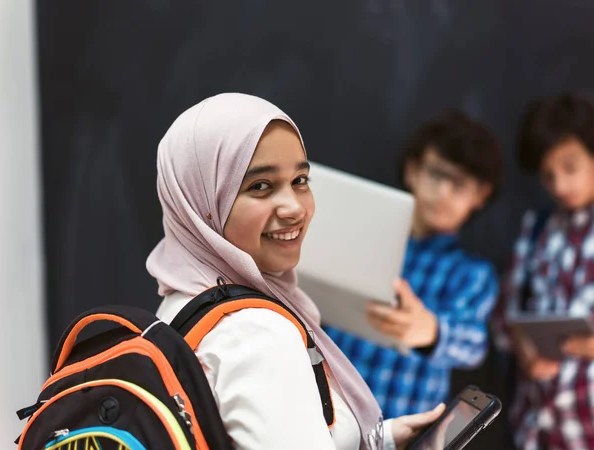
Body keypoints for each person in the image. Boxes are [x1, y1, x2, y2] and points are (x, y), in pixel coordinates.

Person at [146, 93, 445, 450]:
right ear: (202, 204)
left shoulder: (182, 300)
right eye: (260, 186)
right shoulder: (256, 334)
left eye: (300, 180)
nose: (293, 207)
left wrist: (383, 442)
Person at [325, 111, 503, 418]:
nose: (443, 193)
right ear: (413, 171)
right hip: (327, 415)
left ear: (480, 196)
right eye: (436, 175)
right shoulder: (361, 238)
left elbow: (474, 342)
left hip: (399, 427)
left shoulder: (472, 274)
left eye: (460, 185)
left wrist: (431, 331)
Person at [493, 92, 594, 449]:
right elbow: (505, 318)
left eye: (570, 167)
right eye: (547, 175)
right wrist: (523, 346)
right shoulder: (537, 227)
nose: (559, 185)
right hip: (535, 428)